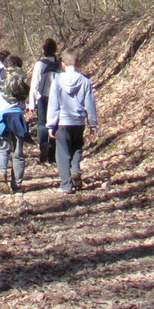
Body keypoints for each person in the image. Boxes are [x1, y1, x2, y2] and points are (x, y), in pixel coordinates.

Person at [46, 51, 97, 193]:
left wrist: (50, 124)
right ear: (78, 64)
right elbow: (90, 104)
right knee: (77, 147)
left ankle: (66, 185)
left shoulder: (57, 81)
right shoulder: (85, 81)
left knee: (62, 152)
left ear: (62, 65)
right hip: (79, 121)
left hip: (62, 121)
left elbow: (53, 104)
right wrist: (92, 123)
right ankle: (75, 169)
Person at [27, 39, 61, 167]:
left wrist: (32, 102)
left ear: (44, 50)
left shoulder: (40, 64)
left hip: (43, 97)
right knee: (55, 124)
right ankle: (53, 154)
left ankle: (43, 146)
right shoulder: (60, 63)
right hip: (57, 98)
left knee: (42, 123)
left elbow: (34, 83)